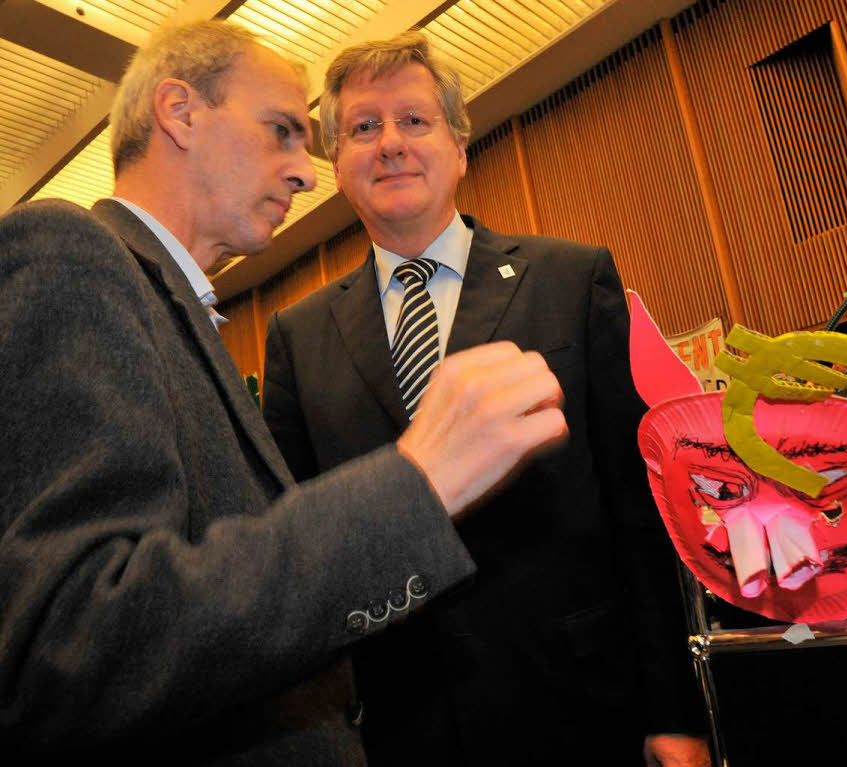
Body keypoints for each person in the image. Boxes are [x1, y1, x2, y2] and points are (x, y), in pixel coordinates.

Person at [0, 21, 568, 765]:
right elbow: (74, 636)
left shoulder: (176, 311)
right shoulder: (65, 251)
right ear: (180, 111)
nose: (308, 172)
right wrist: (416, 483)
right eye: (282, 132)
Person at [262, 32, 710, 767]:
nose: (391, 144)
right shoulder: (296, 335)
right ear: (337, 163)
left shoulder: (572, 278)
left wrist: (673, 708)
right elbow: (299, 537)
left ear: (460, 145)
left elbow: (639, 508)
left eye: (414, 120)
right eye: (364, 128)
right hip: (398, 726)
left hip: (580, 703)